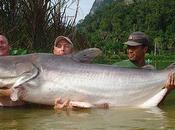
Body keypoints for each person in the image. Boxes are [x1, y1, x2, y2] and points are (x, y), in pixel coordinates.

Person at [113, 31, 175, 103]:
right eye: (128, 47)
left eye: (134, 47)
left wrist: (168, 90)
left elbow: (155, 104)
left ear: (145, 49)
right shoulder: (117, 67)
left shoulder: (152, 72)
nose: (130, 50)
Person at [0, 35, 24, 107]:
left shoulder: (21, 64)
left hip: (19, 111)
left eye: (2, 42)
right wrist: (9, 92)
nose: (0, 44)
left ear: (9, 47)